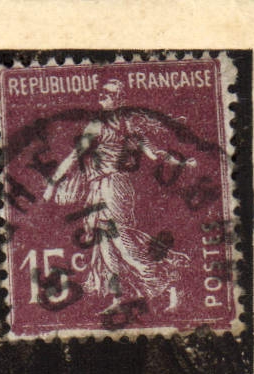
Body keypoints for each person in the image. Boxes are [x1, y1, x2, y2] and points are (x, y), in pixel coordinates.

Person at [42, 78, 196, 315]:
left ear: (119, 99)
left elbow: (152, 153)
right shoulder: (123, 125)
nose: (102, 97)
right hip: (105, 187)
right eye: (102, 93)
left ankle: (170, 283)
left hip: (111, 188)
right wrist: (181, 162)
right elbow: (153, 154)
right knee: (106, 247)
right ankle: (119, 298)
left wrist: (52, 185)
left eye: (108, 94)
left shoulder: (105, 127)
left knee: (123, 245)